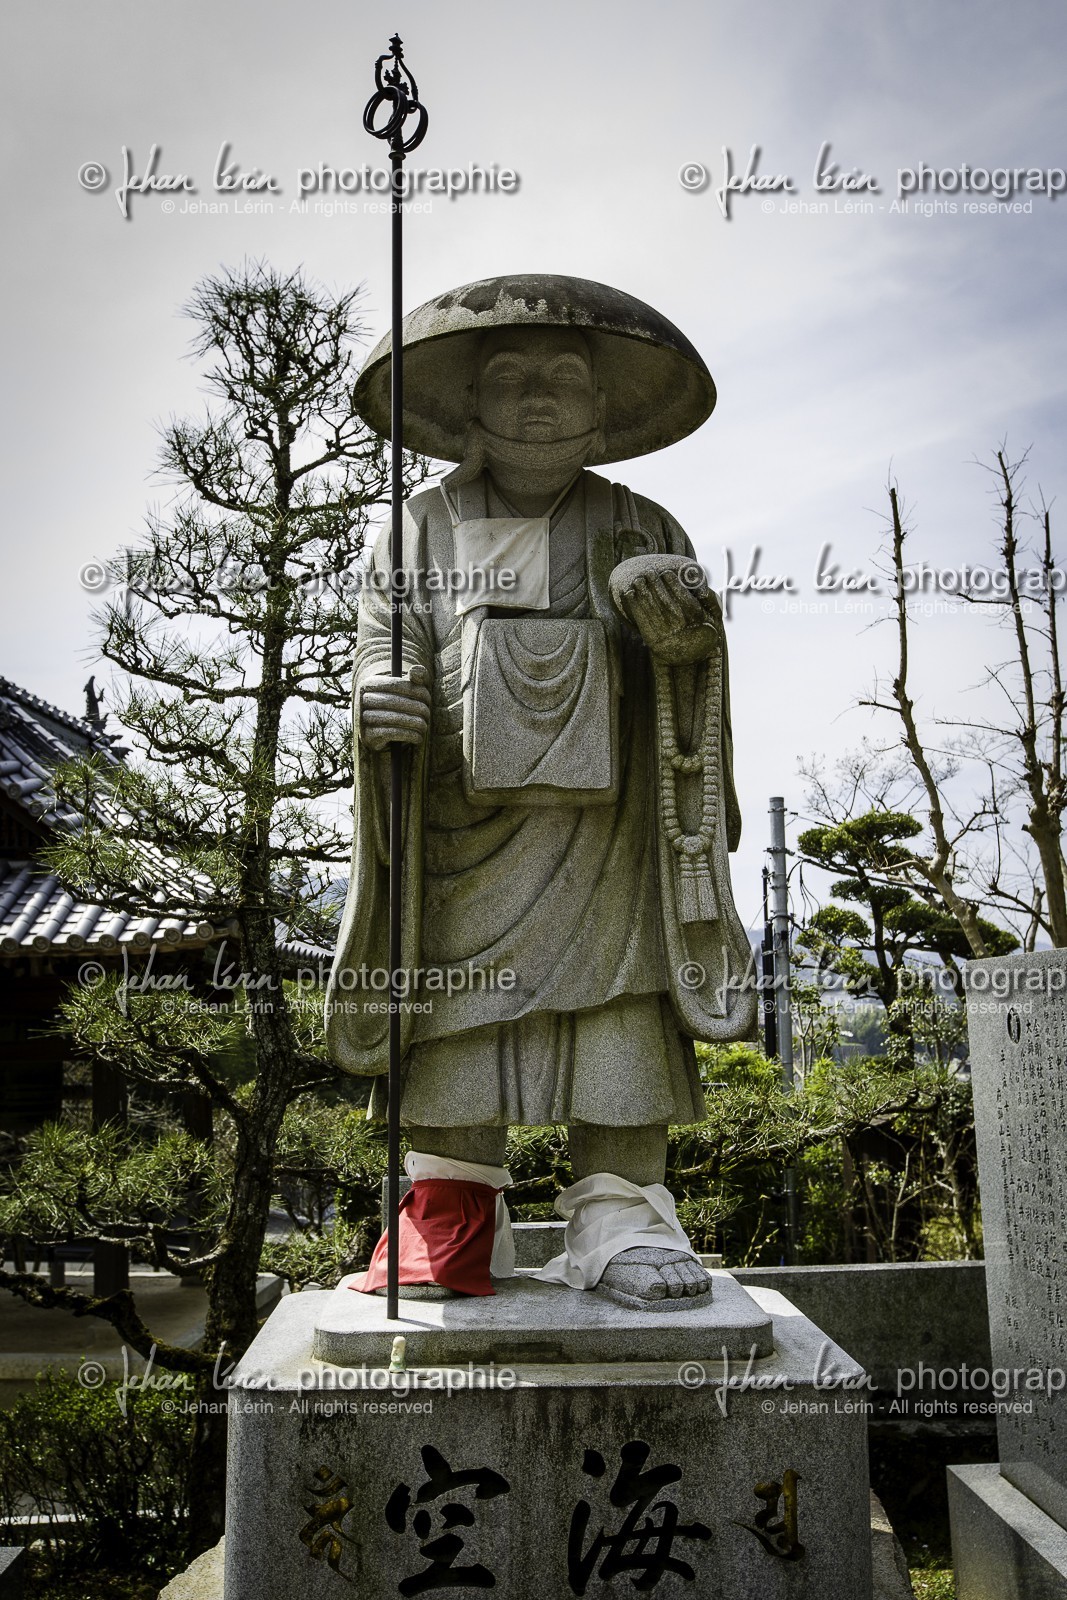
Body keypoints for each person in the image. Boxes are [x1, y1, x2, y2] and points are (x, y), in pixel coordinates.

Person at [326, 275, 755, 1309]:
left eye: (564, 381)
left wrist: (685, 642)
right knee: (457, 1013)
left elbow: (687, 676)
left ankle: (618, 1205)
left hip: (609, 838)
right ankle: (452, 1204)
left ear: (601, 410)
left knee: (616, 1007)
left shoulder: (641, 523)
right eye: (507, 378)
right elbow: (386, 649)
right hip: (457, 828)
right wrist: (377, 707)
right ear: (466, 406)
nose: (534, 400)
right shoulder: (415, 527)